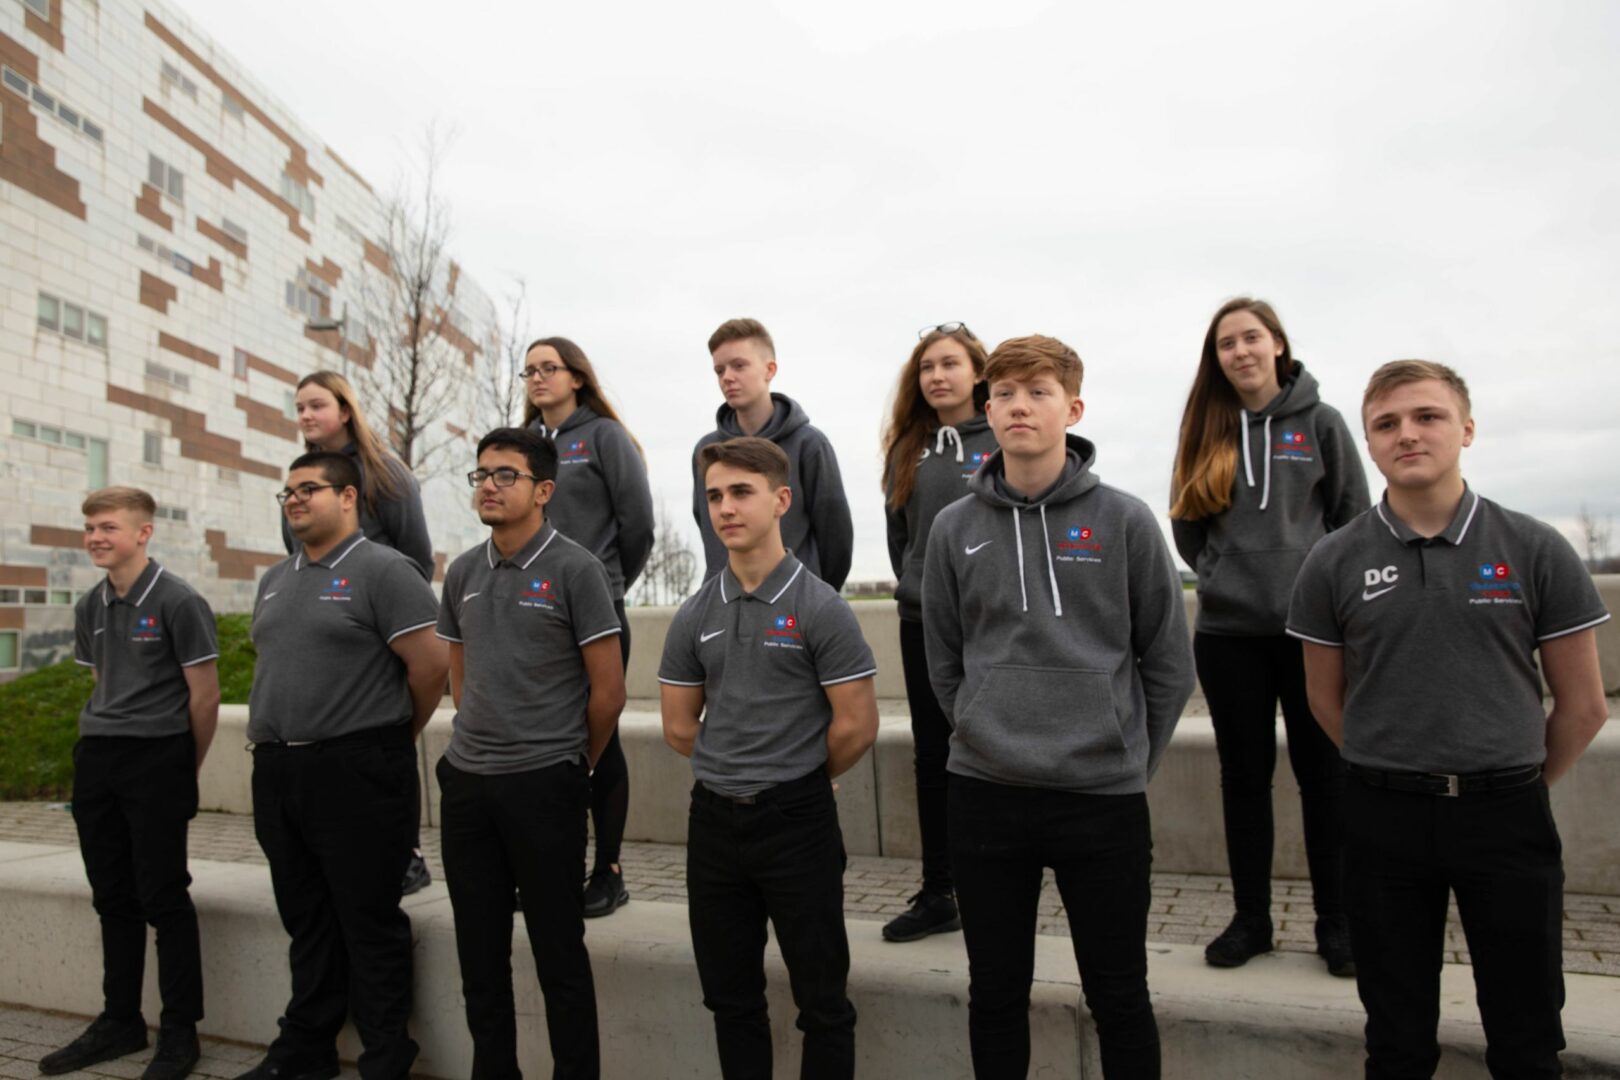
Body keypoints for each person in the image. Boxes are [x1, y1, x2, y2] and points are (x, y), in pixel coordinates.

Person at [1288, 360, 1609, 1078]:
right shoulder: (1332, 562)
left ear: (1465, 428)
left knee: (1527, 1039)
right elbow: (1324, 699)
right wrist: (1392, 764)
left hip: (1508, 819)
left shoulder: (1533, 548)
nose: (1408, 434)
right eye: (1386, 423)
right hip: (1383, 821)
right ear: (1368, 443)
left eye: (1427, 416)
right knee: (1397, 1041)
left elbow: (1583, 706)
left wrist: (1515, 779)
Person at [922, 335, 1195, 1078]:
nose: (1019, 405)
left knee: (1118, 993)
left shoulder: (1127, 521)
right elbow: (943, 660)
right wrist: (982, 727)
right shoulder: (954, 527)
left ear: (1071, 409)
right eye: (1004, 391)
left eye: (1038, 391)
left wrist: (1127, 754)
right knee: (996, 993)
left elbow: (1169, 661)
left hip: (1100, 800)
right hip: (985, 795)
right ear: (987, 408)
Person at [660, 437, 879, 1079]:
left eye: (740, 492)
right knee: (731, 1002)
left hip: (796, 823)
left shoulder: (822, 609)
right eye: (714, 496)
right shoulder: (694, 613)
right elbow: (678, 727)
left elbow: (857, 726)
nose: (725, 507)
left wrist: (797, 775)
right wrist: (737, 766)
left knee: (823, 1003)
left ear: (781, 500)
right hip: (714, 826)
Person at [1168, 297, 1369, 975]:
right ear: (1216, 357)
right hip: (1229, 636)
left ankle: (1337, 922)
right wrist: (1225, 576)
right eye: (1227, 343)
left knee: (1326, 780)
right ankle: (1251, 919)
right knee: (1244, 780)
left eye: (1251, 337)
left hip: (1312, 636)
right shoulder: (1205, 428)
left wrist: (1319, 595)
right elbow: (1187, 527)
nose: (1241, 351)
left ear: (1278, 344)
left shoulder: (1321, 422)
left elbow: (1351, 518)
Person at [238, 451, 447, 1080]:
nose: (295, 500)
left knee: (369, 920)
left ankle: (386, 1058)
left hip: (358, 770)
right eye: (288, 492)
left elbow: (431, 667)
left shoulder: (385, 571)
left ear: (349, 497)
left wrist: (383, 736)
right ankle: (305, 1049)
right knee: (306, 918)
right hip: (278, 770)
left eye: (310, 489)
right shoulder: (274, 578)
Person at [435, 427, 627, 1079]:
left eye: (505, 475)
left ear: (543, 490)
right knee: (479, 958)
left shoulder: (577, 569)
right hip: (469, 787)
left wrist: (573, 762)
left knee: (559, 957)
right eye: (481, 474)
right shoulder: (461, 571)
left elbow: (608, 691)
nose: (488, 484)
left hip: (547, 785)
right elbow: (459, 674)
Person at [40, 487, 220, 1080]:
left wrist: (181, 768)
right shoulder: (90, 605)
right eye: (89, 526)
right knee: (111, 894)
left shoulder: (178, 601)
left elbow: (205, 695)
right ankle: (120, 1021)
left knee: (163, 896)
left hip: (158, 757)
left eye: (108, 527)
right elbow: (100, 680)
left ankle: (178, 1032)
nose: (95, 536)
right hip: (99, 758)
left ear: (143, 533)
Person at [285, 370, 436, 897]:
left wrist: (390, 607)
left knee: (388, 740)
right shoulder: (300, 481)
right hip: (327, 635)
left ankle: (407, 853)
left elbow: (416, 554)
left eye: (316, 405)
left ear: (345, 410)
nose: (305, 415)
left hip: (385, 629)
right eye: (299, 406)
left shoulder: (386, 474)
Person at [522, 337, 653, 918]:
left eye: (549, 368)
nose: (537, 378)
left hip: (595, 612)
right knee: (546, 740)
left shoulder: (604, 437)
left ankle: (609, 870)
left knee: (601, 738)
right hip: (532, 613)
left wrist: (605, 584)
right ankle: (555, 868)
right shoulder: (524, 445)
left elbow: (638, 526)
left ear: (577, 377)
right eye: (528, 370)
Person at [878, 321, 995, 943]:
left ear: (978, 372)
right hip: (923, 622)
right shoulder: (907, 448)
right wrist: (924, 588)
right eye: (926, 368)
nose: (937, 377)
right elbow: (902, 541)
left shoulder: (1004, 433)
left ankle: (991, 886)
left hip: (992, 626)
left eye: (949, 364)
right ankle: (938, 890)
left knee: (988, 754)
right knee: (933, 758)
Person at [692, 318, 854, 590]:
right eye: (719, 370)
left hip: (796, 607)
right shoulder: (706, 452)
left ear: (770, 369)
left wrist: (813, 597)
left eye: (739, 366)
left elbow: (835, 537)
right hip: (726, 606)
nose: (727, 377)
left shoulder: (810, 444)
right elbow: (709, 529)